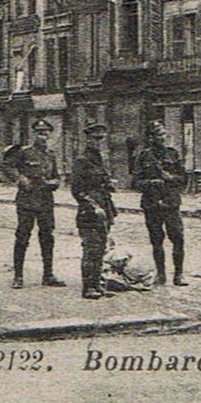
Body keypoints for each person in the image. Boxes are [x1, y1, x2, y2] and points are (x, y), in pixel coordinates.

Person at [4, 119, 67, 289]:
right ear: (34, 135)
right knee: (23, 237)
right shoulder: (25, 152)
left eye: (46, 134)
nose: (43, 137)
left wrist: (55, 182)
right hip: (27, 200)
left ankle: (48, 274)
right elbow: (8, 165)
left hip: (45, 200)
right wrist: (19, 178)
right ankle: (18, 276)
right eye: (40, 133)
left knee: (47, 237)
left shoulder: (51, 154)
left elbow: (56, 175)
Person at [132, 119, 188, 286]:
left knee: (178, 238)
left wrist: (171, 178)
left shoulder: (173, 154)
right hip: (152, 204)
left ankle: (179, 275)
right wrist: (150, 183)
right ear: (151, 138)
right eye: (158, 135)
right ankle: (161, 274)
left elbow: (184, 178)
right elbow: (135, 182)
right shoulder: (143, 156)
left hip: (171, 204)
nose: (162, 138)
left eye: (164, 134)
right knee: (156, 240)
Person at [70, 121, 116, 300]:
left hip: (105, 207)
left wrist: (109, 185)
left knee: (101, 248)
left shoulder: (100, 161)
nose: (98, 143)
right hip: (89, 212)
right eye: (95, 139)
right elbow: (77, 190)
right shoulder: (82, 161)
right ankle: (88, 287)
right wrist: (93, 206)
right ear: (88, 140)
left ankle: (97, 284)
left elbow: (102, 182)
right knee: (91, 249)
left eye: (101, 139)